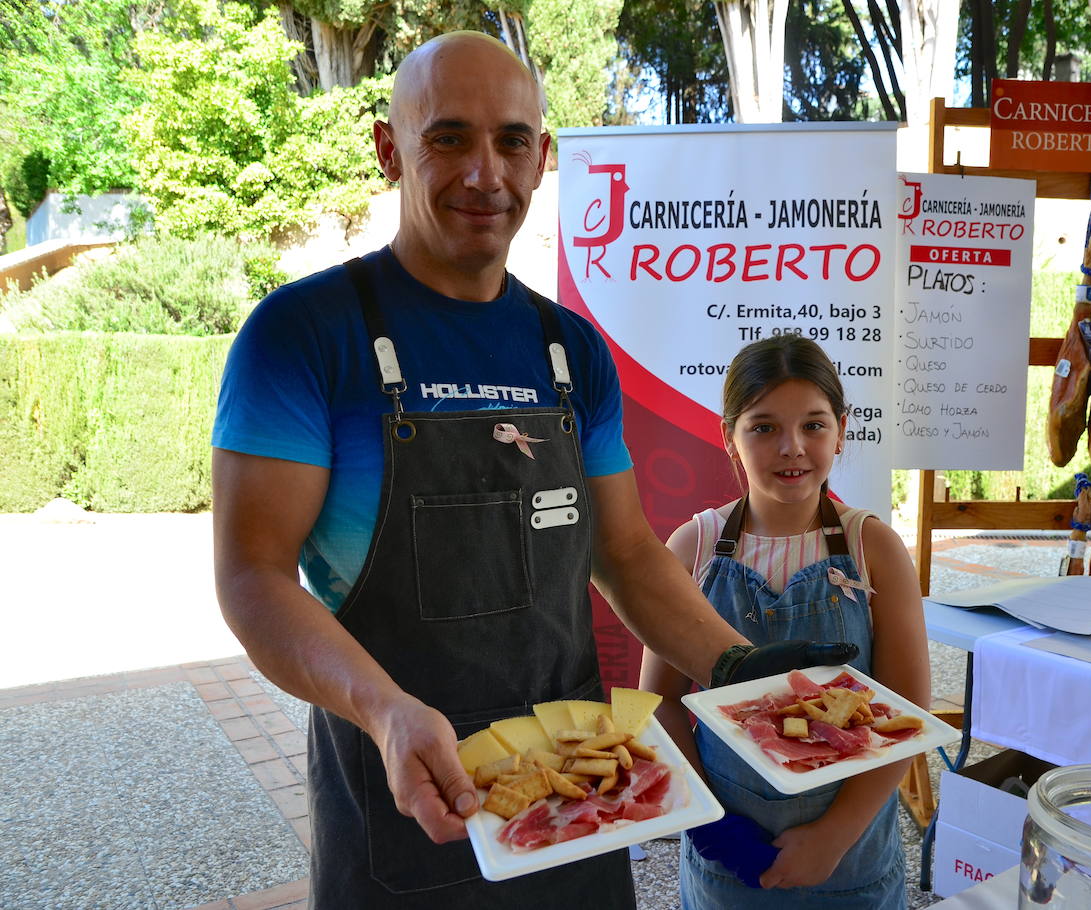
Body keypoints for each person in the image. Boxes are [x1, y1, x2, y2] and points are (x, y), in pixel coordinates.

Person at [211, 31, 852, 909]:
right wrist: (384, 710)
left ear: (543, 157)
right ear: (387, 146)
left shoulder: (570, 351)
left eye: (512, 140)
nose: (486, 173)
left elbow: (624, 552)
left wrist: (737, 667)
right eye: (448, 137)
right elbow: (252, 576)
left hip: (583, 788)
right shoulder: (301, 336)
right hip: (403, 796)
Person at [641, 334, 932, 909]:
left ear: (842, 430)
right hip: (729, 861)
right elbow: (660, 703)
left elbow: (908, 714)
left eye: (815, 425)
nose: (792, 447)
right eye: (764, 427)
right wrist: (710, 825)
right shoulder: (692, 548)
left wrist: (833, 835)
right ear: (729, 437)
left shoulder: (873, 547)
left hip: (850, 861)